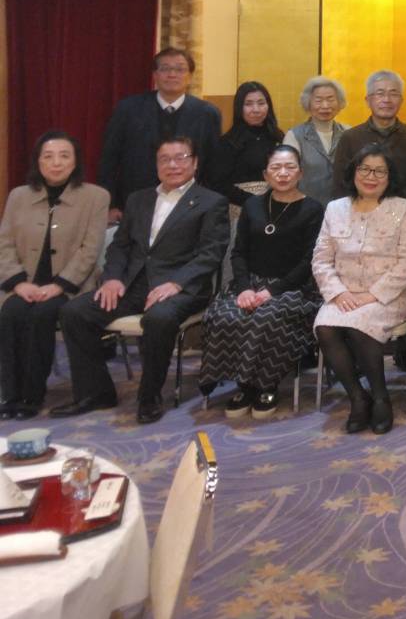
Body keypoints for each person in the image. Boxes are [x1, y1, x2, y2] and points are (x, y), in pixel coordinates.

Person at [55, 137, 229, 423]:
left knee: (158, 319)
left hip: (182, 289)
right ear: (156, 164)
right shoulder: (138, 199)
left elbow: (211, 253)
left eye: (181, 157)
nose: (173, 165)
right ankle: (95, 392)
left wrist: (176, 283)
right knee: (75, 312)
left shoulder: (211, 202)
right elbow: (120, 246)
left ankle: (149, 397)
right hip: (133, 286)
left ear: (195, 162)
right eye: (165, 159)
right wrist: (112, 278)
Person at [200, 144, 325, 418]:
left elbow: (310, 261)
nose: (283, 173)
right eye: (276, 168)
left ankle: (266, 385)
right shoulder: (253, 205)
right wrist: (244, 288)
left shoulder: (313, 209)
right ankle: (243, 385)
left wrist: (272, 291)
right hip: (250, 284)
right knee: (223, 315)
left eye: (290, 167)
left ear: (300, 173)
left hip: (293, 288)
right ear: (266, 175)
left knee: (266, 318)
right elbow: (239, 253)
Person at [312, 144, 406, 435]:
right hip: (344, 293)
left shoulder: (403, 208)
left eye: (379, 171)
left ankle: (381, 397)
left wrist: (372, 295)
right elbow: (321, 259)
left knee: (361, 324)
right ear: (354, 172)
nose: (371, 177)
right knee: (325, 327)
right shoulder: (335, 209)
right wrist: (338, 293)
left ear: (389, 177)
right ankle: (358, 397)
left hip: (392, 295)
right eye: (365, 169)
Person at [0, 132, 109, 419]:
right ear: (38, 162)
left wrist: (59, 285)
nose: (56, 163)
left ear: (75, 162)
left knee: (41, 315)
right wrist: (18, 283)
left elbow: (90, 250)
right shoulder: (18, 196)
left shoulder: (96, 196)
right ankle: (10, 395)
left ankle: (31, 397)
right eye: (48, 156)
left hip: (70, 286)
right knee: (11, 312)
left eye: (64, 156)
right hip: (24, 283)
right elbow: (4, 243)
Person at [98, 47, 221, 221]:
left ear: (190, 76)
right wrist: (110, 205)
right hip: (134, 204)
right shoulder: (128, 109)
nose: (172, 74)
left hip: (189, 208)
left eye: (179, 69)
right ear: (155, 75)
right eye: (165, 69)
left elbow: (213, 165)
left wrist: (206, 207)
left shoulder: (207, 113)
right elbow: (109, 160)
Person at [332, 70, 406, 205]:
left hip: (405, 212)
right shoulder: (350, 138)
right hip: (359, 212)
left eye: (393, 94)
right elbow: (340, 185)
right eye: (380, 93)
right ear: (367, 100)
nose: (387, 100)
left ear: (401, 100)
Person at [207, 81, 283, 213]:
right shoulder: (228, 142)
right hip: (241, 208)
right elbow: (218, 184)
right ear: (239, 108)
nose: (256, 109)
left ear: (268, 106)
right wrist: (254, 201)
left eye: (261, 103)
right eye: (248, 104)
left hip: (276, 205)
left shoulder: (278, 137)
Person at [282, 76, 348, 205]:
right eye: (318, 100)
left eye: (330, 99)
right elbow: (288, 175)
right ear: (308, 103)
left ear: (339, 102)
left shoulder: (348, 133)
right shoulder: (295, 136)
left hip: (342, 208)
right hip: (306, 208)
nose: (325, 105)